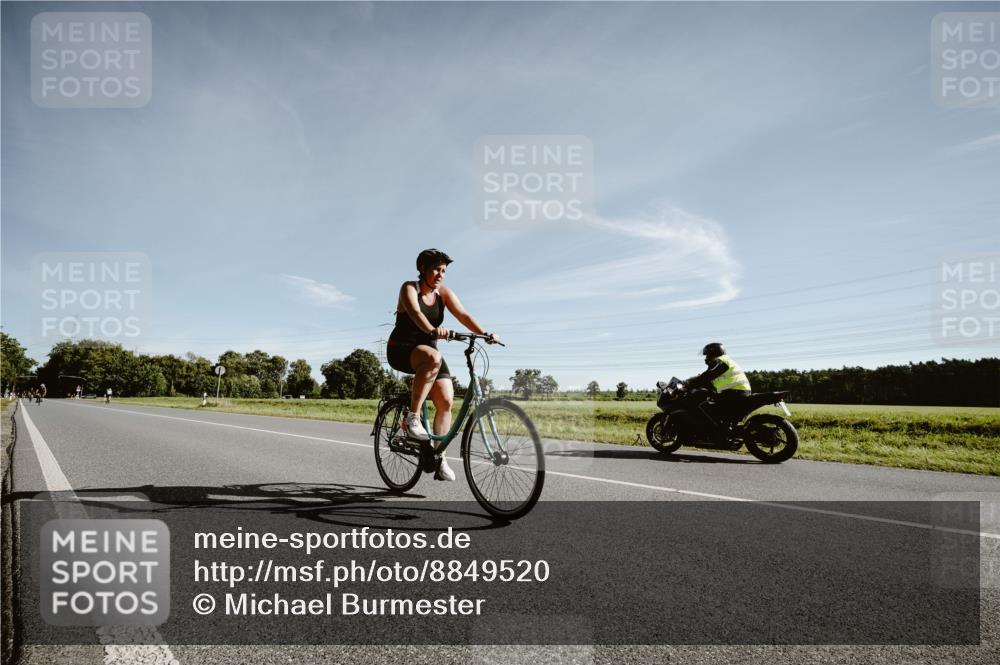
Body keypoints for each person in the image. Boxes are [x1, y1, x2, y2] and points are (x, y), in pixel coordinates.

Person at [386, 248, 498, 481]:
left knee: (446, 401)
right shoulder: (409, 288)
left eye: (444, 270)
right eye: (436, 269)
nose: (440, 274)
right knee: (433, 358)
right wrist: (432, 330)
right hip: (401, 348)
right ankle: (412, 418)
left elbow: (463, 315)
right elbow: (416, 314)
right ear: (423, 269)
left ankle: (440, 458)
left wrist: (485, 333)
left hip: (428, 354)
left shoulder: (443, 293)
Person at [683, 342, 752, 442]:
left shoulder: (720, 361)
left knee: (703, 406)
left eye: (707, 354)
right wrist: (692, 383)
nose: (706, 357)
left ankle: (713, 433)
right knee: (715, 410)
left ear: (713, 353)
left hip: (734, 393)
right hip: (737, 392)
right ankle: (720, 433)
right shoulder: (726, 361)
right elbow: (710, 380)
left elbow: (707, 376)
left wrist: (688, 386)